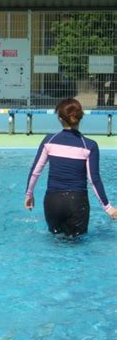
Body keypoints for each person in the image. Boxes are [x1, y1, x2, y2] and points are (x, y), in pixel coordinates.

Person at [25, 98, 117, 237]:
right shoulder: (89, 145)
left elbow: (35, 172)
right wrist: (108, 207)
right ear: (80, 118)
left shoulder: (49, 141)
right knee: (76, 245)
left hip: (52, 202)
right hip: (77, 203)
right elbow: (94, 180)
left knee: (56, 243)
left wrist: (29, 194)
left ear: (60, 118)